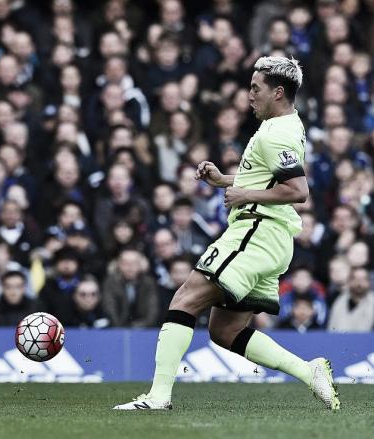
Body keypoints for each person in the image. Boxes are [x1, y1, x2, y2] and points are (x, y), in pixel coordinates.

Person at [114, 57, 339, 410]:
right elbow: (268, 177)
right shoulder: (284, 125)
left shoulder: (277, 132)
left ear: (278, 92)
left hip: (256, 231)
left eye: (255, 88)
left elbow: (297, 190)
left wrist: (244, 194)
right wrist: (223, 180)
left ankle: (158, 397)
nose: (248, 95)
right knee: (224, 331)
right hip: (271, 237)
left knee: (185, 298)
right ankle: (308, 370)